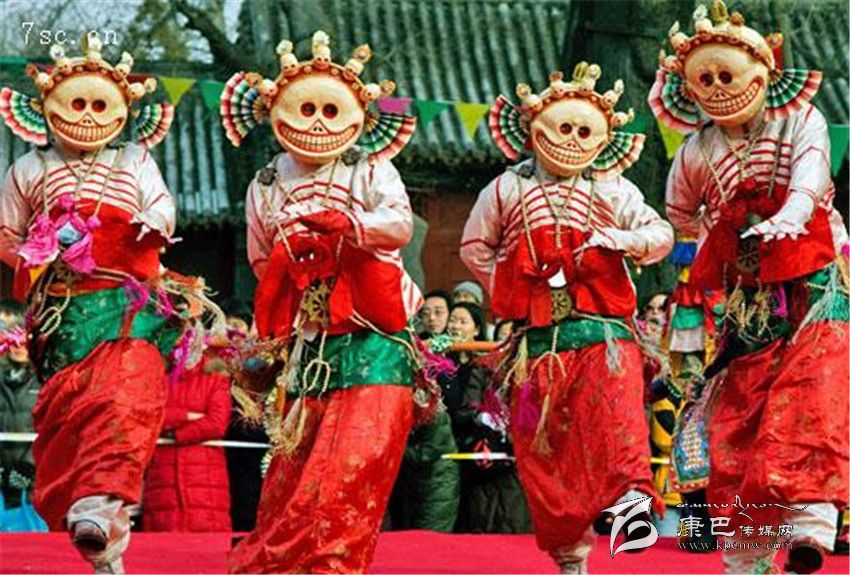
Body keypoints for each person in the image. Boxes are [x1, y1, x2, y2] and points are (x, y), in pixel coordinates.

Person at [0, 38, 215, 574]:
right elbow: (6, 235)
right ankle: (103, 538)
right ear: (46, 110)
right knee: (75, 417)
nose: (89, 116)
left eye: (100, 105)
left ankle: (100, 508)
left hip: (129, 305)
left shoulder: (134, 159)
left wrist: (139, 229)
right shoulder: (28, 168)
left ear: (122, 112)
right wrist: (40, 249)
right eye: (77, 104)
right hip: (66, 316)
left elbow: (162, 211)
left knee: (130, 398)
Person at [651, 1, 849, 571]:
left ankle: (813, 523)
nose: (718, 89)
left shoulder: (801, 120)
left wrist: (793, 212)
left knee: (814, 393)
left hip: (816, 286)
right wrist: (719, 232)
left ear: (764, 76)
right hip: (749, 300)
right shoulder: (697, 149)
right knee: (742, 418)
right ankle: (748, 554)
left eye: (727, 75)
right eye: (705, 80)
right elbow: (679, 212)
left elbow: (811, 173)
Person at [220, 31, 422, 573]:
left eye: (330, 111)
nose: (316, 123)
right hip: (311, 342)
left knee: (352, 466)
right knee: (295, 471)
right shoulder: (265, 183)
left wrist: (350, 225)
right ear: (274, 113)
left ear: (357, 116)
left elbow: (400, 225)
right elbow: (260, 259)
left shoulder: (371, 169)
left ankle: (332, 566)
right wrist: (298, 265)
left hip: (376, 336)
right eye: (304, 109)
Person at [462, 62, 673, 573]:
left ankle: (629, 511)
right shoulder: (506, 189)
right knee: (546, 452)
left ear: (602, 139)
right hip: (538, 344)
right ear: (534, 131)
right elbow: (474, 248)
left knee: (619, 430)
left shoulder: (614, 189)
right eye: (562, 129)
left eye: (584, 132)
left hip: (605, 337)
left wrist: (621, 240)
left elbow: (661, 234)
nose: (572, 141)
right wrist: (511, 289)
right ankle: (570, 556)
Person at [445, 302, 532, 534]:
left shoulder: (537, 367)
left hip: (522, 455)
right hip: (487, 452)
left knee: (517, 517)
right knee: (484, 519)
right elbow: (468, 409)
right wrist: (489, 421)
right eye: (504, 336)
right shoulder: (483, 367)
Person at [142, 355, 232, 532]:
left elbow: (216, 423)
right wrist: (186, 416)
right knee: (162, 534)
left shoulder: (215, 378)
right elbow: (147, 416)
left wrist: (175, 433)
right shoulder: (156, 377)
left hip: (204, 473)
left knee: (206, 530)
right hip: (163, 473)